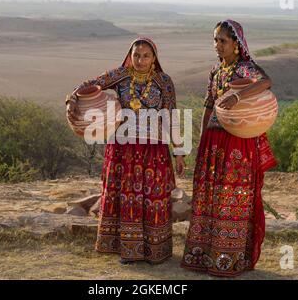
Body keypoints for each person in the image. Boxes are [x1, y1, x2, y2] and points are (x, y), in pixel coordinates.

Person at [66, 37, 186, 264]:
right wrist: (71, 100)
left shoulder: (164, 82)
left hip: (154, 149)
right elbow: (86, 85)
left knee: (153, 197)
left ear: (154, 59)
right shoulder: (119, 75)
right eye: (136, 55)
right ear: (130, 56)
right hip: (123, 148)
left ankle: (154, 251)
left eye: (146, 56)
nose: (140, 60)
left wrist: (179, 151)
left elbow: (171, 116)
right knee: (127, 198)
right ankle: (128, 250)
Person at [180, 20, 278, 277]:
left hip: (237, 142)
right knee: (209, 196)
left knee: (232, 197)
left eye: (223, 40)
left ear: (237, 44)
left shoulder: (246, 69)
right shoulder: (215, 71)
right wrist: (202, 141)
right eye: (215, 40)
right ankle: (203, 255)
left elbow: (266, 81)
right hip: (213, 141)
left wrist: (237, 96)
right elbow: (209, 107)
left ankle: (230, 257)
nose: (217, 45)